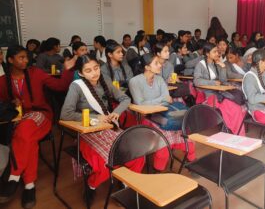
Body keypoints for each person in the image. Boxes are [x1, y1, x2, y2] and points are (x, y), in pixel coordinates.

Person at [60, 54, 141, 204]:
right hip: (89, 131)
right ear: (81, 73)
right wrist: (95, 118)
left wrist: (116, 113)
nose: (94, 73)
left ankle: (125, 183)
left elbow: (125, 99)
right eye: (88, 70)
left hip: (109, 128)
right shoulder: (76, 86)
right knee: (105, 162)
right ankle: (91, 185)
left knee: (137, 152)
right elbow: (65, 114)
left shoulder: (105, 80)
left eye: (96, 68)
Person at [0, 45, 75, 208]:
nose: (26, 60)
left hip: (41, 115)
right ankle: (29, 185)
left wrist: (67, 70)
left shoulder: (36, 73)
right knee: (28, 140)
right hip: (18, 120)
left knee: (24, 130)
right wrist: (10, 103)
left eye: (27, 57)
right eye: (21, 57)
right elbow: (2, 104)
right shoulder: (3, 80)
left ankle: (13, 176)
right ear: (10, 60)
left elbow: (60, 86)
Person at [128, 54, 195, 171]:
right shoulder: (135, 81)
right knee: (164, 139)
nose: (160, 65)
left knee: (186, 134)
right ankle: (158, 169)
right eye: (156, 63)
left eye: (160, 63)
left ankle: (192, 162)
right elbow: (140, 103)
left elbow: (168, 98)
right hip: (148, 117)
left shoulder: (159, 79)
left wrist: (154, 102)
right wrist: (160, 100)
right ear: (147, 67)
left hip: (165, 113)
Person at [193, 43, 246, 135]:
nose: (217, 53)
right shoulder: (200, 65)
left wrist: (223, 67)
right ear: (207, 54)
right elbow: (196, 81)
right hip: (209, 95)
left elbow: (222, 80)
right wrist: (212, 83)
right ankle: (233, 131)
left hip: (220, 93)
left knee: (236, 107)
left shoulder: (216, 64)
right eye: (214, 52)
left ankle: (236, 133)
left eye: (217, 51)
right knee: (231, 107)